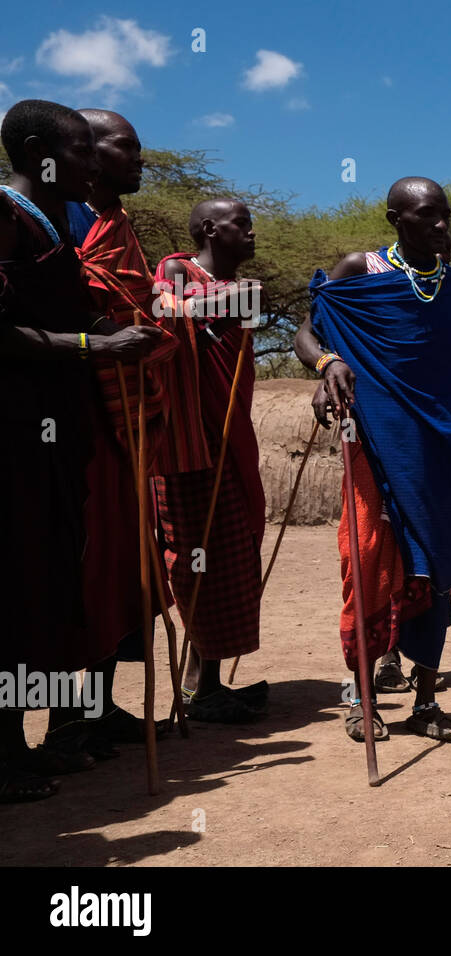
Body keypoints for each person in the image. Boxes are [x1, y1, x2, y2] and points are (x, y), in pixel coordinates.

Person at [0, 100, 163, 800]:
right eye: (81, 154)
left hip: (54, 437)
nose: (93, 166)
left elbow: (59, 315)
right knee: (10, 590)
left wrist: (114, 326)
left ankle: (22, 742)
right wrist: (99, 344)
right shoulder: (4, 218)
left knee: (40, 587)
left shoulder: (53, 230)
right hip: (12, 434)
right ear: (38, 150)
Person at [296, 176, 451, 741]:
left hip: (444, 444)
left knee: (440, 561)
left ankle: (427, 702)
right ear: (395, 219)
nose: (441, 226)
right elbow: (308, 329)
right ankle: (361, 694)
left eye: (445, 215)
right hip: (379, 440)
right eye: (428, 215)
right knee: (368, 555)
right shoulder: (361, 269)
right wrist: (326, 363)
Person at [45, 108, 179, 759]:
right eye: (129, 148)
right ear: (88, 154)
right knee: (72, 564)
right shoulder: (54, 224)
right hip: (68, 420)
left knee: (121, 563)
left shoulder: (119, 227)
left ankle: (96, 707)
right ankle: (59, 720)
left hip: (124, 421)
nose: (142, 160)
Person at [154, 199, 268, 722]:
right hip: (190, 442)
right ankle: (196, 685)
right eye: (240, 225)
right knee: (198, 552)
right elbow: (163, 314)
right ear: (208, 229)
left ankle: (210, 681)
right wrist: (236, 298)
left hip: (232, 432)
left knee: (235, 547)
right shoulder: (177, 269)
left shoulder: (243, 293)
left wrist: (238, 301)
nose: (250, 233)